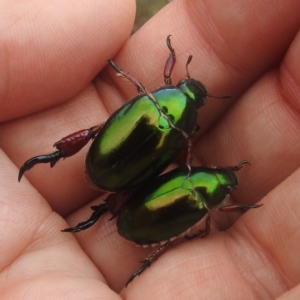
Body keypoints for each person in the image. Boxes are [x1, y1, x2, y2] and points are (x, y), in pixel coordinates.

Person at [0, 0, 299, 298]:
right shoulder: (183, 137)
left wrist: (138, 67)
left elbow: (139, 86)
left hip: (108, 161)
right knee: (99, 135)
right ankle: (89, 193)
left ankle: (60, 161)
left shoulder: (153, 99)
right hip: (121, 174)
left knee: (95, 132)